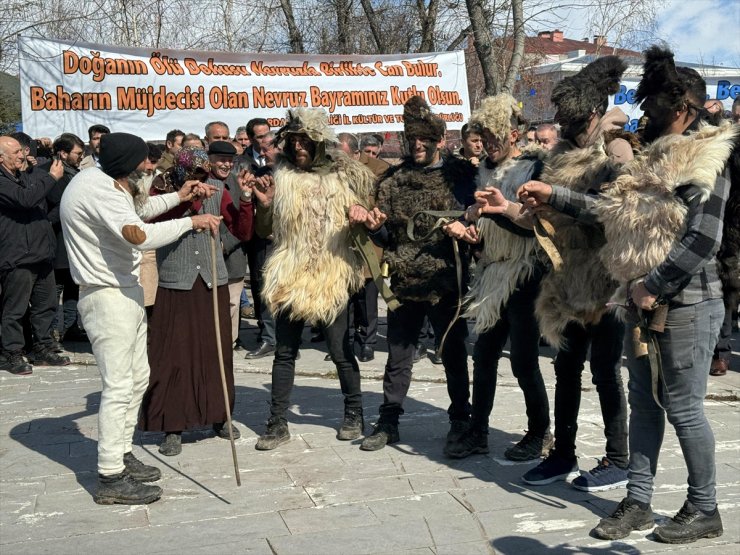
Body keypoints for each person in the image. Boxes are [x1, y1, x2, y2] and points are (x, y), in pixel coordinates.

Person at [519, 46, 738, 544]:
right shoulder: (650, 156)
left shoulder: (707, 157)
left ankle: (705, 508)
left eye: (655, 103)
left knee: (683, 408)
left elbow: (704, 239)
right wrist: (556, 197)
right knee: (645, 406)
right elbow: (609, 210)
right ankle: (638, 500)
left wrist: (652, 287)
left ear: (681, 105)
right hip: (639, 304)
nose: (645, 111)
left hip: (687, 305)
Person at [490, 56, 632, 490]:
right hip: (566, 282)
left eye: (572, 119)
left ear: (591, 113)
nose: (564, 126)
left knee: (605, 371)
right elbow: (541, 222)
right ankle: (562, 454)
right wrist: (507, 208)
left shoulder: (617, 148)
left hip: (608, 281)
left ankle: (619, 459)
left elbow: (617, 214)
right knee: (567, 370)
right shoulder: (561, 153)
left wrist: (558, 195)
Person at [60, 132, 221, 504]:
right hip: (105, 296)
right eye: (143, 163)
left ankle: (120, 452)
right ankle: (110, 477)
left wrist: (179, 198)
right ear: (126, 163)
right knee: (118, 386)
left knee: (138, 378)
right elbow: (138, 233)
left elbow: (137, 212)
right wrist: (190, 223)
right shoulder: (97, 189)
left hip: (123, 290)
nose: (149, 167)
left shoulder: (107, 183)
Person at [359, 96, 477, 452]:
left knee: (454, 355)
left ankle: (460, 421)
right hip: (404, 284)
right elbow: (386, 236)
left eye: (425, 138)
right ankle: (389, 420)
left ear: (440, 139)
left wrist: (465, 233)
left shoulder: (462, 177)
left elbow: (478, 225)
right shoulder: (393, 181)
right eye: (413, 138)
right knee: (398, 357)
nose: (418, 144)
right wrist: (374, 228)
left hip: (446, 282)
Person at [254, 107, 376, 450]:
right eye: (293, 142)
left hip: (330, 272)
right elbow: (265, 229)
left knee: (340, 350)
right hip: (291, 272)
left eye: (306, 141)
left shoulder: (344, 178)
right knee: (285, 351)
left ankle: (354, 413)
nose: (299, 148)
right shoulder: (282, 178)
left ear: (319, 143)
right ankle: (277, 422)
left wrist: (359, 217)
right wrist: (264, 206)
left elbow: (365, 221)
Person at [445, 93, 552, 462]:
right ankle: (478, 431)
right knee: (485, 355)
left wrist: (500, 211)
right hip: (492, 272)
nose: (487, 143)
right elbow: (484, 223)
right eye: (482, 136)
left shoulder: (534, 168)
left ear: (512, 134)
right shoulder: (484, 171)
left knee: (523, 361)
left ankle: (540, 432)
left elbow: (536, 228)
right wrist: (472, 235)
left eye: (493, 136)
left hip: (526, 272)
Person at [139, 143, 254, 457]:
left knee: (216, 350)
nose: (200, 179)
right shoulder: (162, 190)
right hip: (176, 280)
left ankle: (220, 415)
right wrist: (189, 202)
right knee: (173, 353)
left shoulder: (217, 189)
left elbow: (242, 231)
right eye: (194, 173)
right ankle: (171, 425)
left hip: (212, 281)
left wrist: (245, 198)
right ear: (181, 171)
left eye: (203, 173)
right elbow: (151, 225)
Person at [0, 136, 69, 375]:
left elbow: (50, 200)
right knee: (15, 310)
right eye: (17, 152)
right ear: (1, 158)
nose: (23, 155)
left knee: (46, 305)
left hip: (41, 253)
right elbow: (25, 199)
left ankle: (42, 346)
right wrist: (51, 177)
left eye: (23, 151)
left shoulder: (25, 175)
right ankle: (11, 353)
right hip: (17, 256)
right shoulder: (2, 181)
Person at [336, 132, 390, 362]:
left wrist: (355, 207)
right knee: (344, 296)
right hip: (341, 241)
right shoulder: (331, 169)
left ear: (356, 153)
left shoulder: (379, 168)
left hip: (369, 239)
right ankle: (345, 340)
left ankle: (368, 342)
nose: (340, 162)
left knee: (368, 297)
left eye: (345, 156)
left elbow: (381, 200)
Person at [41, 133, 87, 343]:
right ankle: (47, 334)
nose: (80, 156)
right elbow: (57, 205)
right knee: (54, 290)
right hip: (55, 240)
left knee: (72, 286)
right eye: (77, 153)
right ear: (63, 153)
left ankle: (70, 328)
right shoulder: (49, 173)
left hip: (73, 241)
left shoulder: (75, 173)